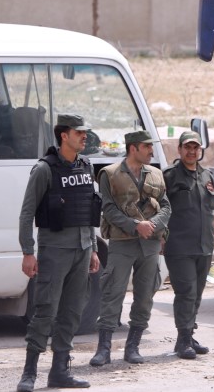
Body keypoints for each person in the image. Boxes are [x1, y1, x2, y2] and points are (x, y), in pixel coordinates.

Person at [16, 114, 101, 391]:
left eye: (84, 132)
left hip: (82, 249)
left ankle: (60, 371)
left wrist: (93, 249)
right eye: (79, 132)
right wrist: (28, 252)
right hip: (54, 251)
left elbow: (89, 210)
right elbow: (27, 212)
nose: (84, 137)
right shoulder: (44, 169)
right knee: (45, 311)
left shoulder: (86, 166)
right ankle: (29, 373)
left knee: (72, 312)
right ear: (64, 135)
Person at [89, 130, 171, 367]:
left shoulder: (156, 174)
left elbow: (166, 206)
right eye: (147, 147)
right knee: (112, 294)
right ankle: (103, 349)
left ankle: (132, 347)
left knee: (145, 296)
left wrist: (153, 225)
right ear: (133, 148)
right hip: (122, 243)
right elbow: (109, 208)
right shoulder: (110, 174)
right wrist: (136, 225)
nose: (151, 151)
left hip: (150, 244)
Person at [163, 131, 214, 359]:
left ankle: (187, 336)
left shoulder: (207, 175)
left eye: (196, 147)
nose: (192, 151)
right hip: (179, 245)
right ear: (179, 150)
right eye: (187, 147)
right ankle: (184, 338)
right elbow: (159, 208)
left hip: (204, 244)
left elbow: (213, 207)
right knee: (186, 292)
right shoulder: (169, 176)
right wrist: (160, 236)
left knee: (196, 293)